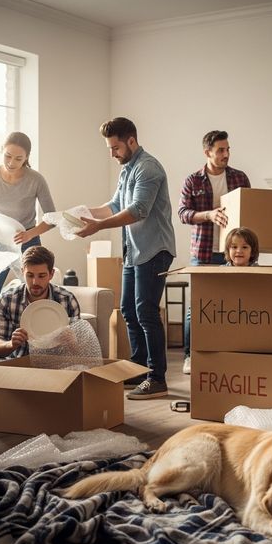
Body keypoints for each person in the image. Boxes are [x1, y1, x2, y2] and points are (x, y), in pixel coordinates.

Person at [76, 117, 176, 400]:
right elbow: (115, 206)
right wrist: (82, 214)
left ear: (131, 141)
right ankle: (139, 370)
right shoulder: (126, 170)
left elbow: (138, 210)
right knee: (128, 312)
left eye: (115, 147)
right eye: (109, 148)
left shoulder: (149, 169)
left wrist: (97, 227)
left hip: (155, 250)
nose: (112, 154)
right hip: (134, 251)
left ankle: (157, 378)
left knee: (145, 312)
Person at [177, 130, 251, 374]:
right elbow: (183, 214)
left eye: (228, 149)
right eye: (221, 150)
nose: (226, 154)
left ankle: (229, 353)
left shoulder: (240, 177)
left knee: (233, 306)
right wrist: (209, 214)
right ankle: (190, 356)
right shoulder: (193, 181)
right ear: (207, 152)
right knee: (197, 308)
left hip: (235, 253)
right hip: (203, 252)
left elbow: (251, 210)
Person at [0, 132, 56, 311]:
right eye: (7, 156)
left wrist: (30, 234)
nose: (11, 162)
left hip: (29, 239)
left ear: (26, 157)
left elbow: (52, 218)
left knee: (37, 293)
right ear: (1, 151)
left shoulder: (36, 179)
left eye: (18, 158)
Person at [0, 245, 81, 360]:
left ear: (51, 274)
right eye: (30, 275)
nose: (35, 282)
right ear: (22, 272)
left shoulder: (67, 300)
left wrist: (72, 343)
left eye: (42, 276)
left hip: (55, 365)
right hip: (18, 365)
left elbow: (79, 353)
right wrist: (11, 344)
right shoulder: (6, 300)